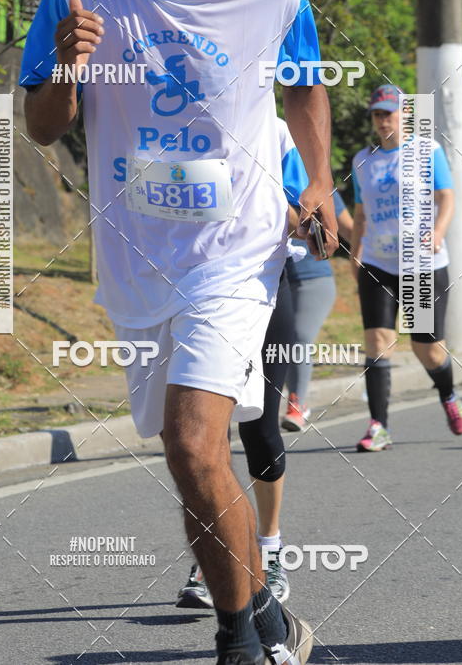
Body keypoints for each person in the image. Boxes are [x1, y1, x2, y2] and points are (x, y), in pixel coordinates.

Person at [20, 0, 338, 665]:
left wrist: (318, 182)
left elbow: (306, 86)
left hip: (235, 257)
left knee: (196, 440)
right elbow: (43, 127)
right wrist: (68, 70)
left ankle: (241, 640)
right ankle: (268, 613)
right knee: (186, 459)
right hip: (136, 261)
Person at [177, 118, 322, 611]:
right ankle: (217, 553)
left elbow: (312, 220)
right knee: (204, 436)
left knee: (260, 427)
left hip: (263, 287)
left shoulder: (275, 131)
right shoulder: (174, 123)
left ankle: (270, 548)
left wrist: (291, 213)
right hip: (198, 290)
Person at [350, 84, 462, 452]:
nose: (383, 120)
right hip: (378, 262)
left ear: (405, 115)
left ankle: (447, 393)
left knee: (427, 350)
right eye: (377, 114)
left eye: (389, 113)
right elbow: (360, 212)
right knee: (377, 343)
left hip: (421, 262)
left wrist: (437, 232)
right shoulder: (361, 161)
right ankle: (378, 427)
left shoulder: (426, 151)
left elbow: (446, 196)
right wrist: (355, 253)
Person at [281, 191, 354, 432]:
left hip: (313, 281)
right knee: (271, 345)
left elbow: (349, 229)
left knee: (299, 337)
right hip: (271, 280)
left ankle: (297, 405)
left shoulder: (316, 184)